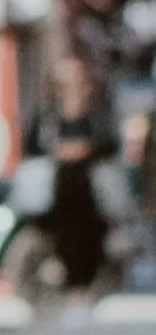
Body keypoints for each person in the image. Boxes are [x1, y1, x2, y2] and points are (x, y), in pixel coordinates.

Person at [36, 55, 119, 296]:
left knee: (91, 234)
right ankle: (72, 285)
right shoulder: (50, 114)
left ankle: (90, 283)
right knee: (64, 236)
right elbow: (36, 145)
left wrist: (85, 149)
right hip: (59, 189)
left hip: (92, 189)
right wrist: (63, 151)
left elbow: (109, 144)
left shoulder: (97, 112)